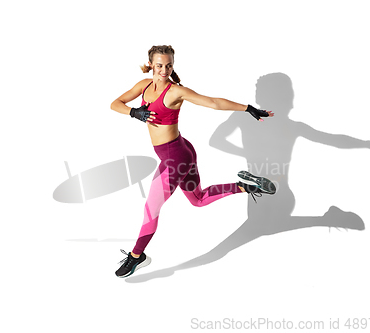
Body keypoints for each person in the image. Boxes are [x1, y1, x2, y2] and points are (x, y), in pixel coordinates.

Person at [110, 45, 276, 278]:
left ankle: (137, 256)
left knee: (151, 209)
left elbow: (213, 103)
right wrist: (134, 112)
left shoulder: (175, 92)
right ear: (151, 65)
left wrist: (248, 108)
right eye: (159, 65)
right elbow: (115, 103)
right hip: (180, 151)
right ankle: (248, 186)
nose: (164, 70)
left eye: (169, 65)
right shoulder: (143, 86)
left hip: (175, 158)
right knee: (197, 200)